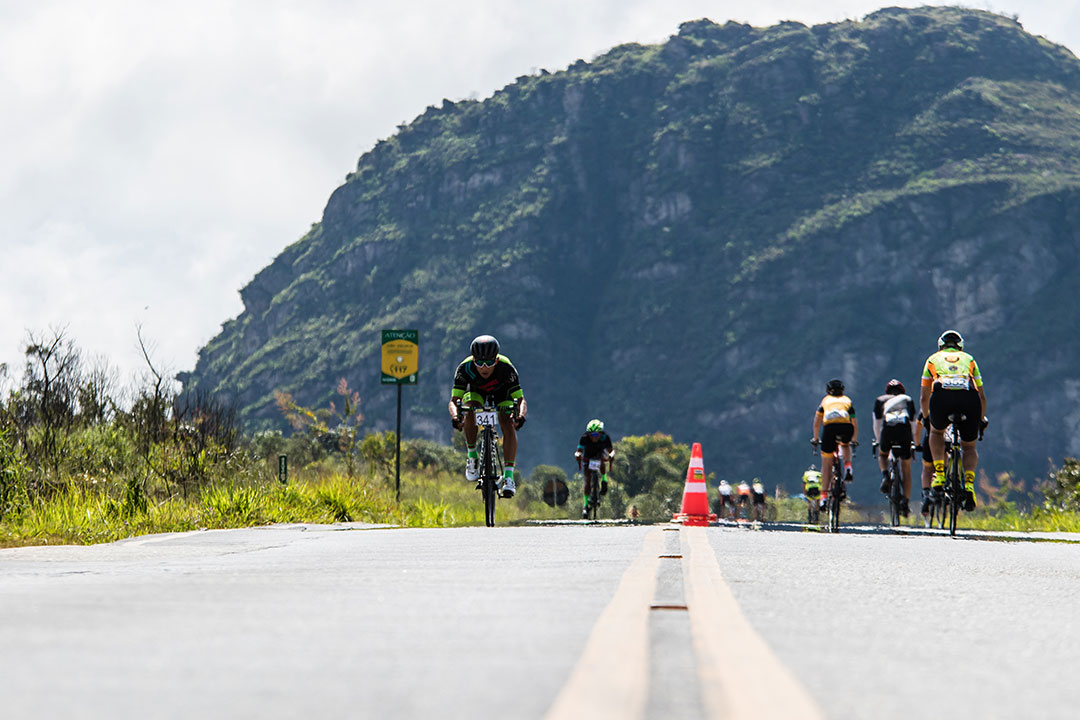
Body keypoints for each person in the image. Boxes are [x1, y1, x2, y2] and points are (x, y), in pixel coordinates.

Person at [448, 334, 527, 498]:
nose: (484, 367)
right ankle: (472, 457)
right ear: (473, 359)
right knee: (469, 409)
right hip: (476, 394)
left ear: (496, 360)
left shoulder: (507, 368)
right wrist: (456, 417)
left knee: (506, 421)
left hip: (501, 394)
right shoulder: (464, 368)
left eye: (489, 362)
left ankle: (509, 478)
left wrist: (520, 415)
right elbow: (454, 401)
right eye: (479, 362)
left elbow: (520, 399)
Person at [920, 330, 986, 511]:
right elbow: (982, 396)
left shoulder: (932, 359)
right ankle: (970, 485)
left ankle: (940, 473)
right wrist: (981, 420)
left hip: (942, 397)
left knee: (936, 432)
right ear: (960, 346)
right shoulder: (970, 359)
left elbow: (925, 398)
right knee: (970, 447)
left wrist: (927, 418)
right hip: (969, 399)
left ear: (941, 345)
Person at [811, 378, 859, 509]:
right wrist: (854, 440)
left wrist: (815, 438)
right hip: (846, 427)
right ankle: (848, 467)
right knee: (845, 445)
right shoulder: (847, 401)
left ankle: (823, 498)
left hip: (829, 429)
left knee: (826, 465)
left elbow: (816, 423)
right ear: (842, 391)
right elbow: (854, 422)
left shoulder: (825, 401)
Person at [872, 379, 917, 517]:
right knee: (906, 469)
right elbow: (913, 423)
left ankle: (886, 475)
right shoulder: (907, 400)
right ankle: (905, 501)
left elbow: (877, 424)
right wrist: (913, 442)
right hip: (904, 431)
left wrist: (880, 441)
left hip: (888, 430)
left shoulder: (880, 400)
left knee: (883, 455)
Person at [574, 419, 615, 519]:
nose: (593, 437)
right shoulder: (584, 438)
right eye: (591, 435)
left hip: (600, 454)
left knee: (601, 462)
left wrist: (611, 456)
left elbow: (611, 451)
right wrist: (577, 455)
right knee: (587, 481)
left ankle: (604, 481)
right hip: (588, 456)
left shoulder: (605, 438)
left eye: (596, 435)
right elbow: (578, 451)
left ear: (600, 434)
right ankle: (586, 504)